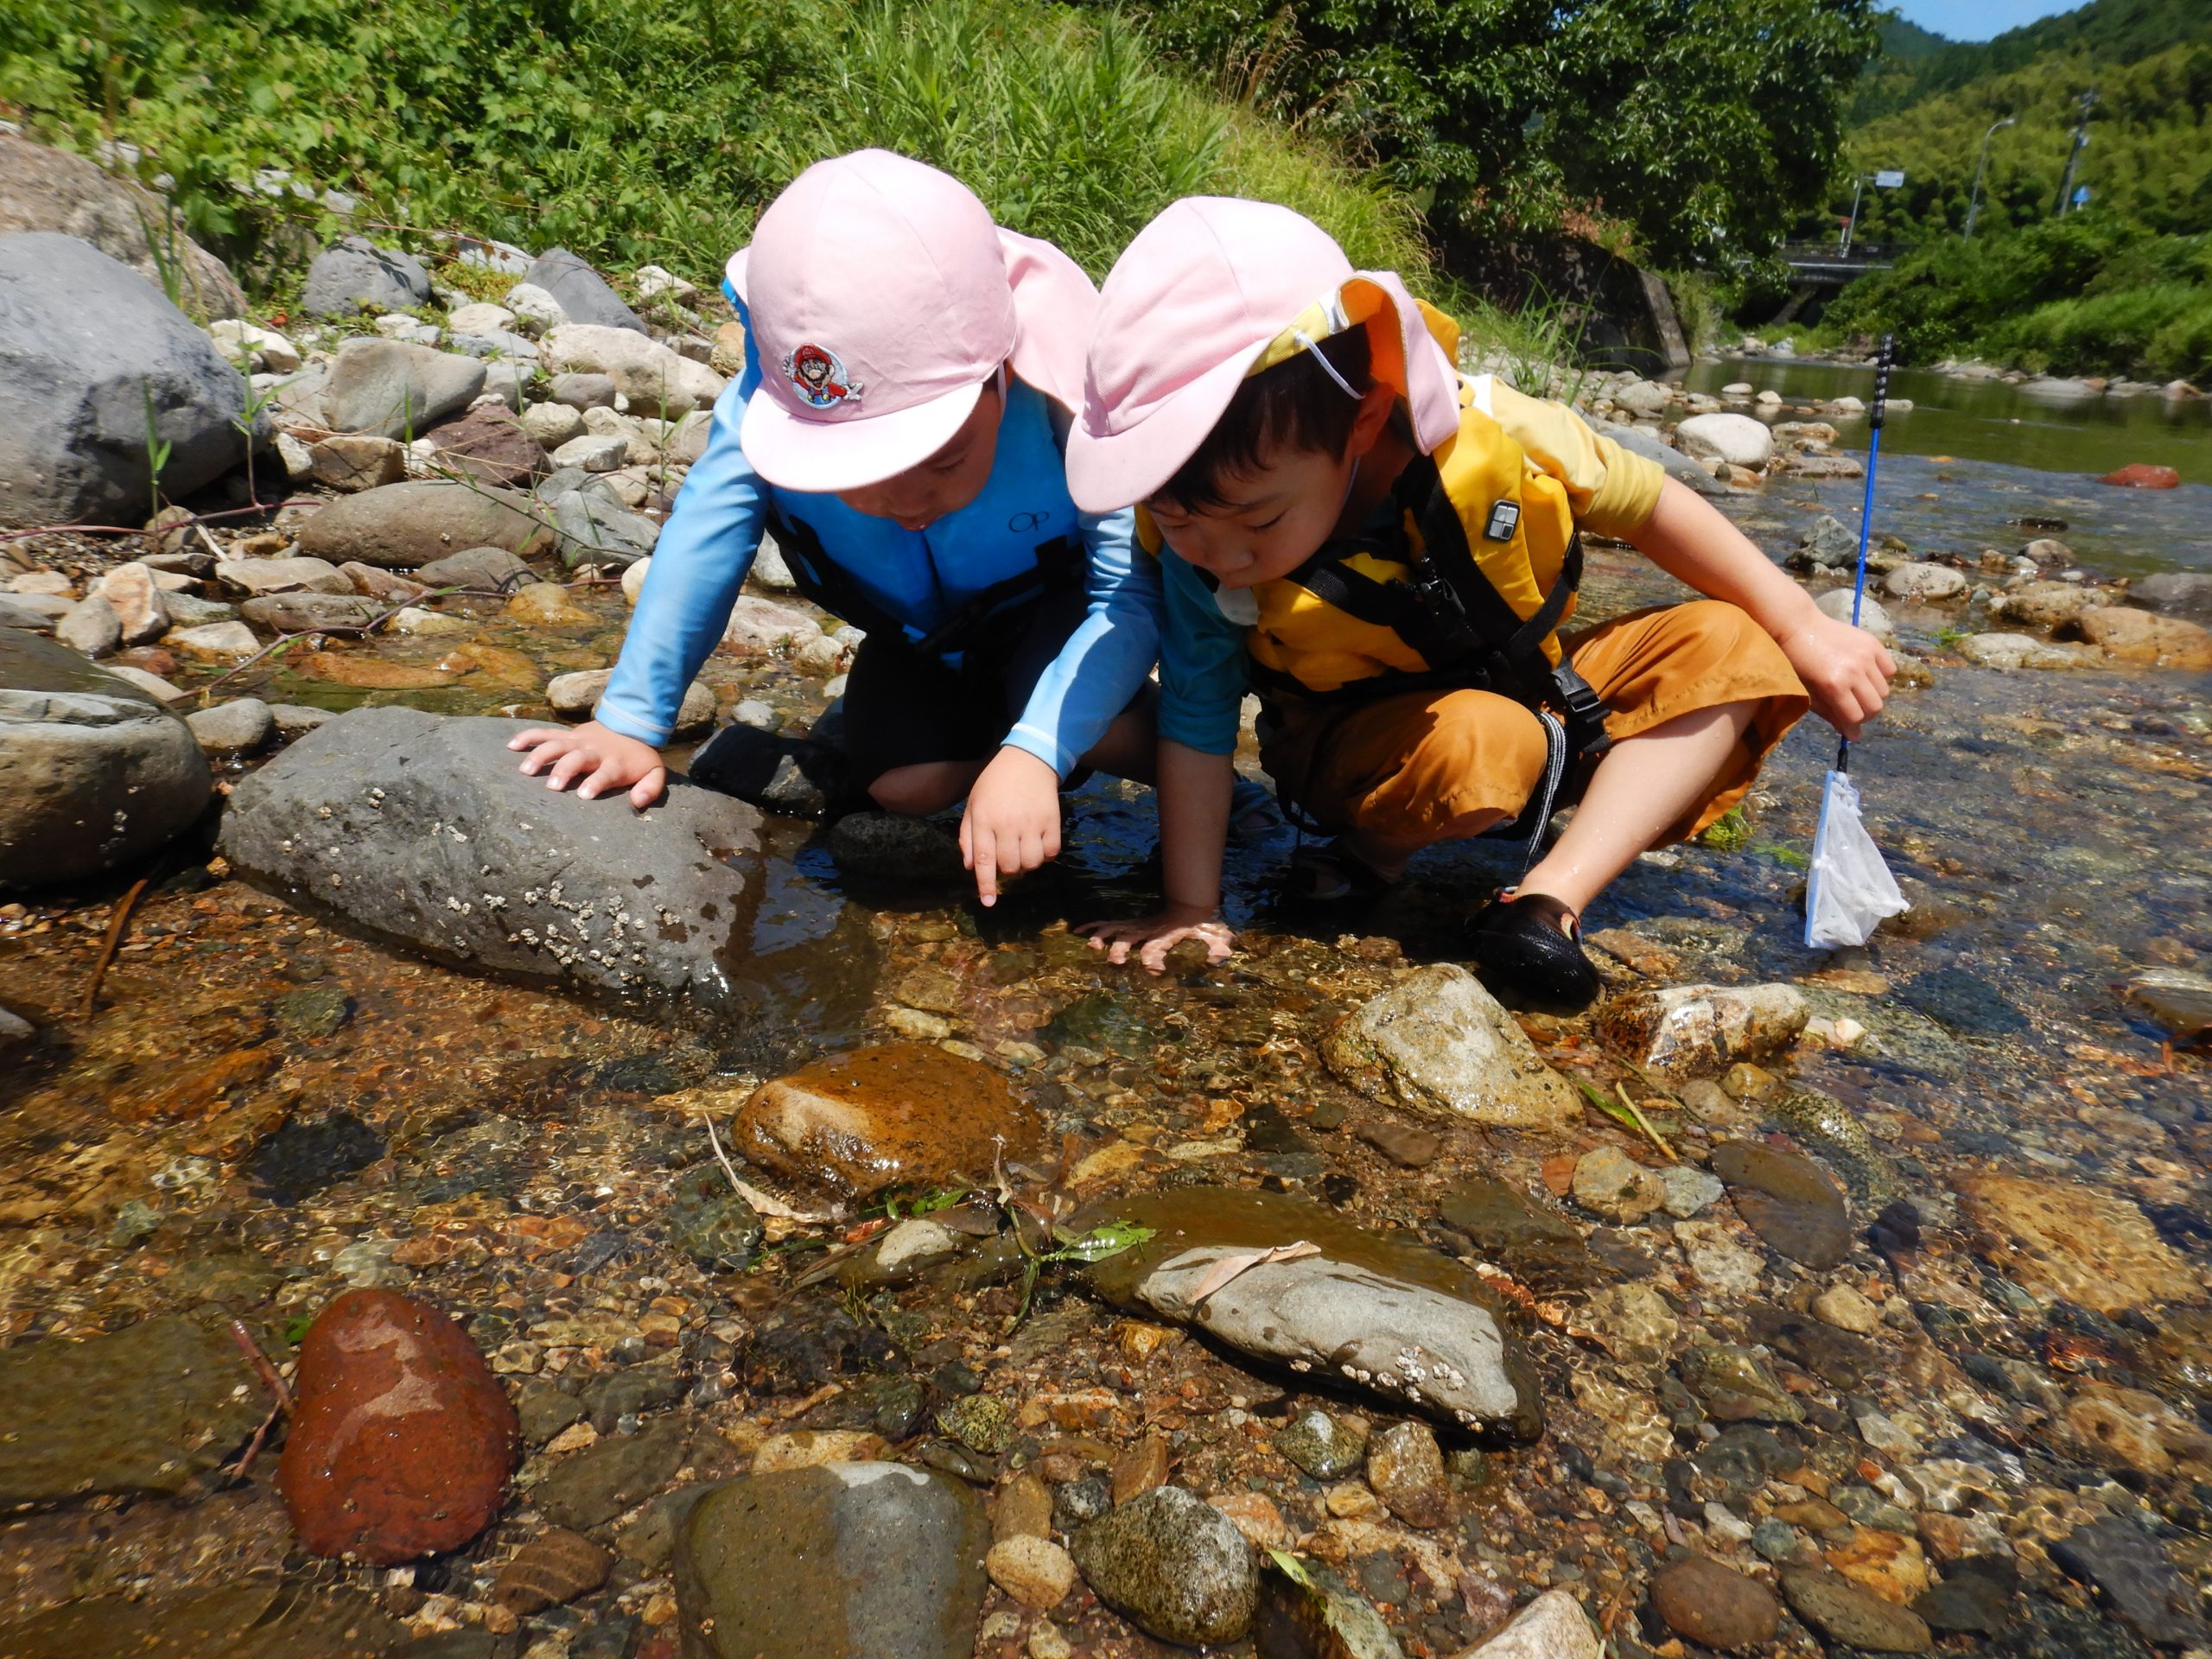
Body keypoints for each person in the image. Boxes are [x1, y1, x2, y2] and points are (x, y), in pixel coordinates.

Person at [1063, 198, 1894, 1008]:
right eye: (1178, 521)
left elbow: (1649, 506)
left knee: (1735, 643)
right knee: (1482, 744)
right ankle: (1368, 853)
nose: (1221, 554)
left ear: (1365, 419)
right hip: (1361, 750)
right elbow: (1199, 724)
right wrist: (1190, 907)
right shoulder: (1202, 559)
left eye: (1260, 518)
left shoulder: (1486, 428)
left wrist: (1802, 625)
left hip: (1540, 699)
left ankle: (1545, 902)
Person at [509, 149, 1160, 905]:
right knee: (905, 789)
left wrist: (1038, 751)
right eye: (855, 476)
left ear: (1002, 373)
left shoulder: (1065, 393)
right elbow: (706, 534)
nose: (908, 501)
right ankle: (1009, 739)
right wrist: (629, 722)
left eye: (943, 461)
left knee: (1093, 725)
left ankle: (1212, 791)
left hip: (1047, 611)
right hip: (920, 640)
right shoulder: (775, 389)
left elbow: (1126, 592)